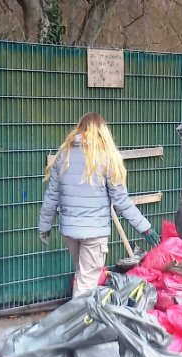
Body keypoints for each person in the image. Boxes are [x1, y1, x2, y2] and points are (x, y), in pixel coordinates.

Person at [38, 112, 160, 297]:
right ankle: (81, 322)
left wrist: (44, 226)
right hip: (95, 234)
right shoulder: (107, 158)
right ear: (103, 132)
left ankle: (82, 319)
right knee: (87, 285)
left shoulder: (64, 155)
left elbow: (51, 195)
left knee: (83, 275)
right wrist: (145, 228)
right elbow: (122, 202)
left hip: (70, 232)